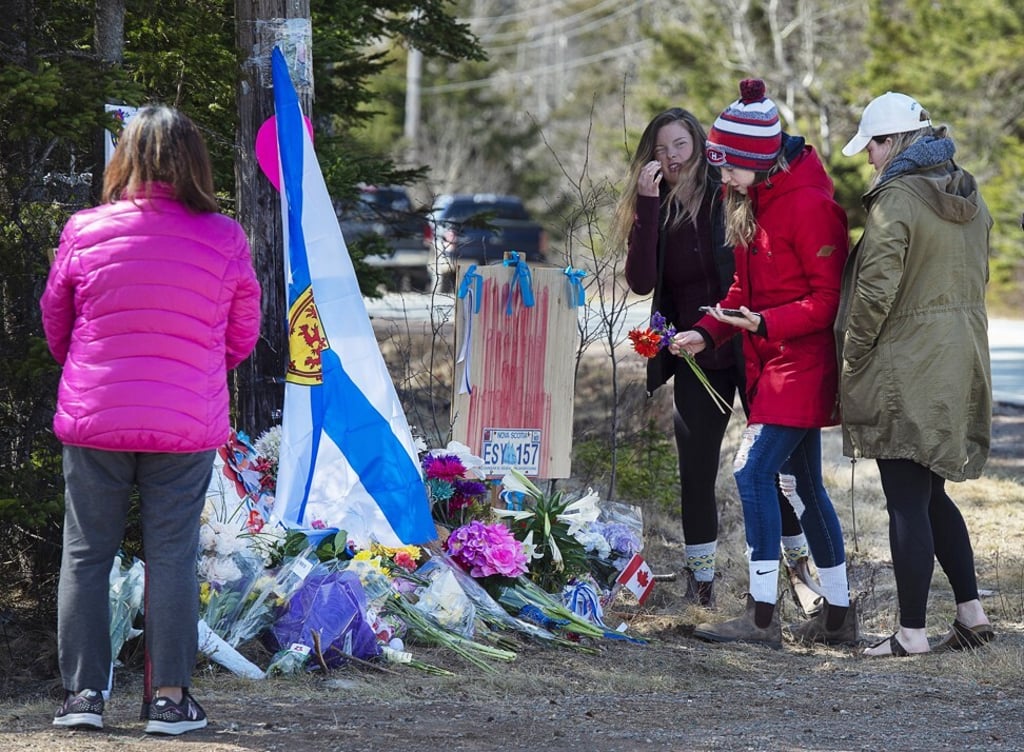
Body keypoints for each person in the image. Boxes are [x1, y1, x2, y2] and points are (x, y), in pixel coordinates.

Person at [40, 105, 261, 733]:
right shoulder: (224, 237)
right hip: (184, 420)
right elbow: (240, 336)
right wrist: (192, 370)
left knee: (86, 555)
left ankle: (83, 698)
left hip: (97, 417)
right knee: (172, 556)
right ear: (195, 162)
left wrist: (92, 372)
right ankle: (168, 699)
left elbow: (58, 322)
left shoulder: (85, 230)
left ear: (124, 158)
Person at [612, 107, 823, 611]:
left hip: (751, 348)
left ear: (700, 146)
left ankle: (799, 575)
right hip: (695, 354)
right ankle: (701, 583)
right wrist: (644, 203)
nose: (671, 157)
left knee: (773, 467)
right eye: (661, 149)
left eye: (680, 145)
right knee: (697, 469)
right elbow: (640, 281)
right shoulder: (656, 208)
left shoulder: (728, 196)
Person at [671, 79, 855, 647]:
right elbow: (738, 289)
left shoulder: (812, 208)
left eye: (728, 169)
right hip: (767, 361)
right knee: (803, 485)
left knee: (752, 473)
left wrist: (768, 324)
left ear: (757, 159)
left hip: (799, 366)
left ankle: (760, 618)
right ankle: (839, 618)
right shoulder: (752, 200)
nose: (721, 179)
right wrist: (706, 332)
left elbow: (826, 303)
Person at [838, 92, 994, 657]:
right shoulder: (967, 189)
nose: (869, 160)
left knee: (905, 496)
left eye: (872, 147)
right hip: (957, 357)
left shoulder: (896, 199)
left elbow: (875, 289)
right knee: (931, 494)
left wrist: (853, 355)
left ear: (892, 142)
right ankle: (972, 616)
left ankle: (910, 633)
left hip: (904, 362)